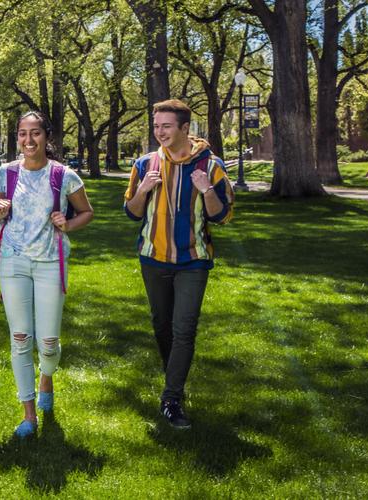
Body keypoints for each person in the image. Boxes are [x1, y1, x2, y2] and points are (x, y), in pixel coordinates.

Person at [124, 99, 234, 430]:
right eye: (156, 126)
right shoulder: (144, 165)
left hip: (193, 260)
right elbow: (131, 211)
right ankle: (175, 375)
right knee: (162, 325)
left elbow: (223, 215)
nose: (160, 132)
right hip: (153, 258)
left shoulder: (210, 167)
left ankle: (172, 398)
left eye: (166, 126)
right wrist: (143, 190)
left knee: (184, 328)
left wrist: (207, 191)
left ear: (185, 128)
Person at [0, 111, 94, 438]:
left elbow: (87, 211)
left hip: (49, 264)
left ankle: (46, 377)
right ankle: (28, 414)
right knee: (20, 338)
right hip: (13, 263)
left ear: (47, 137)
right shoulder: (5, 174)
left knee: (47, 343)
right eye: (22, 134)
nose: (28, 141)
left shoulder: (64, 175)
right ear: (17, 137)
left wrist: (68, 223)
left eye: (35, 134)